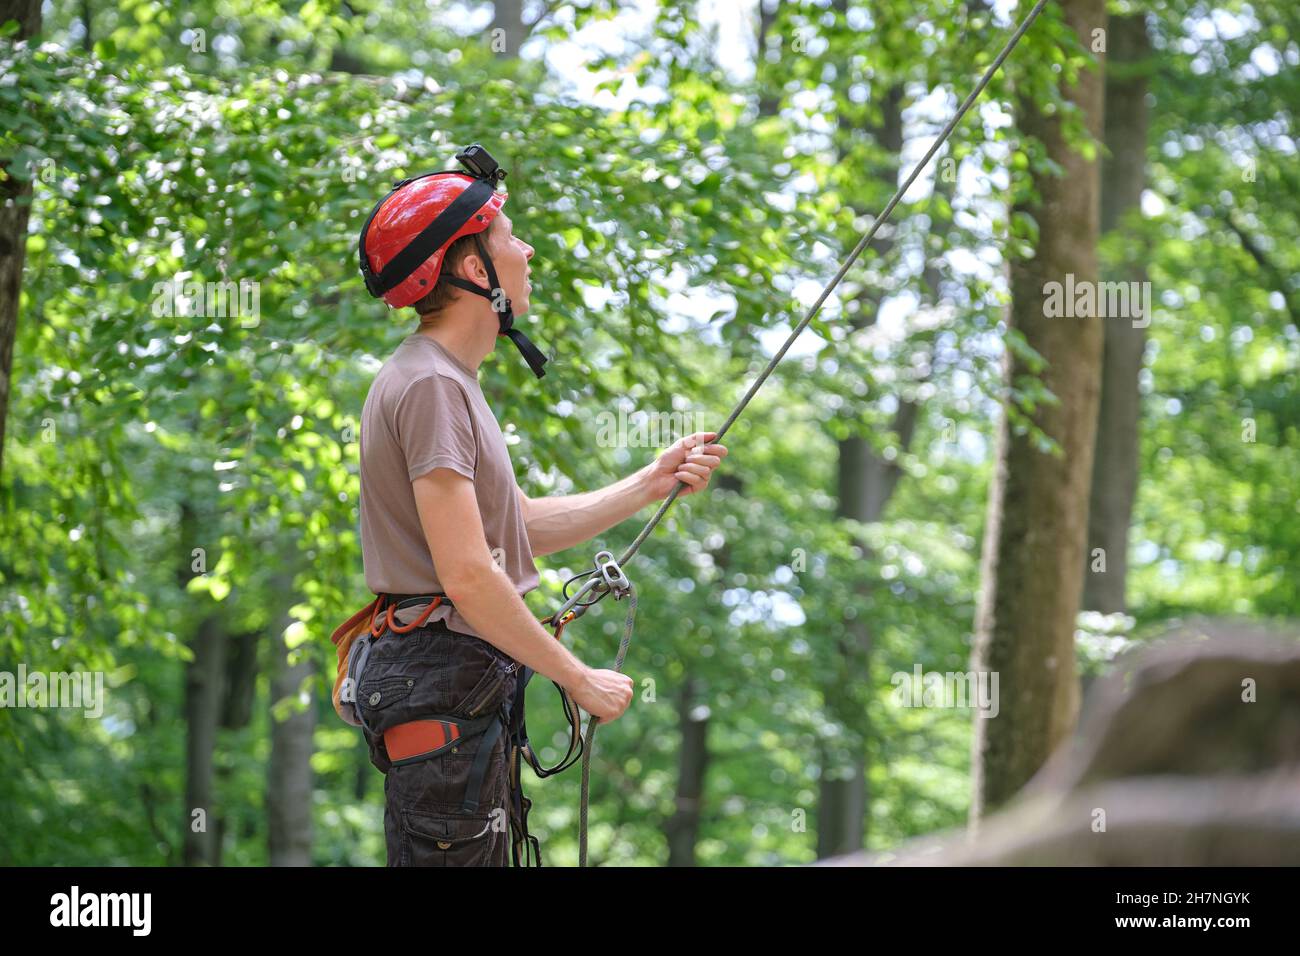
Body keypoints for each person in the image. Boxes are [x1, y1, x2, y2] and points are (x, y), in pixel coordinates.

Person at [350, 145, 729, 865]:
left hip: (454, 691)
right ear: (471, 269)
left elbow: (512, 529)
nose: (524, 251)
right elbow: (467, 575)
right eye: (507, 237)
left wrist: (647, 484)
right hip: (441, 681)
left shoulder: (445, 380)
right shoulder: (430, 385)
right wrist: (576, 677)